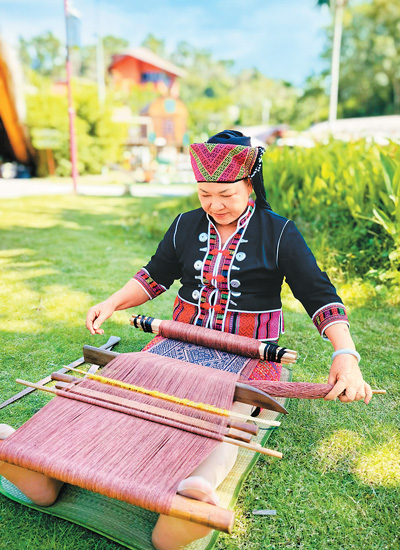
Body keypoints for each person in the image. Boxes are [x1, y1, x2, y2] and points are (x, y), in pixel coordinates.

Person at [0, 130, 372, 550]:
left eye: (226, 194)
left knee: (229, 414)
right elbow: (154, 275)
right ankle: (38, 466)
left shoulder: (280, 233)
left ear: (250, 183)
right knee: (124, 387)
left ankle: (193, 492)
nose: (214, 205)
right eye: (204, 194)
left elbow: (318, 294)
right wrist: (112, 303)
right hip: (180, 339)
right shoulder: (185, 226)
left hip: (249, 353)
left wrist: (345, 353)